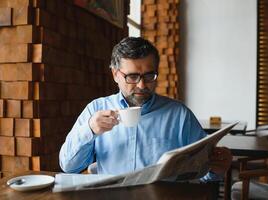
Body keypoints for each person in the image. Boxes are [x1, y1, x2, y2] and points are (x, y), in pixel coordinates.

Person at [59, 37, 232, 182]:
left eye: (149, 76)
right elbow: (69, 166)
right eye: (132, 76)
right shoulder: (96, 109)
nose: (142, 85)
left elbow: (202, 173)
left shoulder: (179, 115)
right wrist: (89, 130)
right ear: (115, 74)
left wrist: (217, 168)